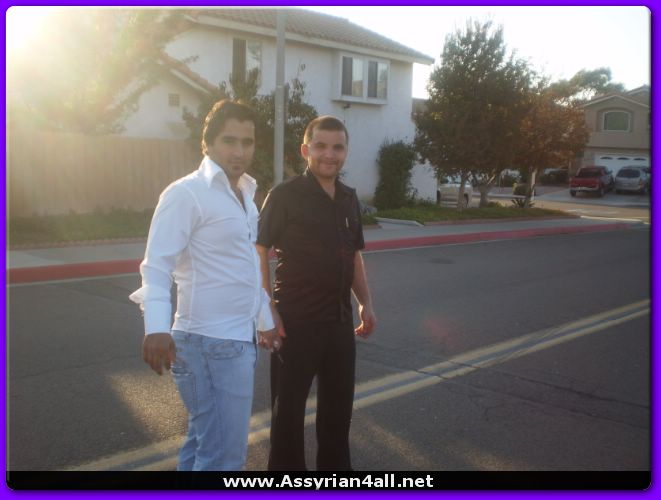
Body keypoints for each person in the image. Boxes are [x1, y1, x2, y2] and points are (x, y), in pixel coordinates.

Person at [129, 99, 276, 471]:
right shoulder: (186, 193)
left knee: (202, 444)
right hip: (210, 345)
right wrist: (156, 328)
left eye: (247, 142)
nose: (239, 151)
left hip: (235, 339)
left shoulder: (246, 195)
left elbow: (244, 267)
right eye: (229, 140)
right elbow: (157, 266)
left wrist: (264, 320)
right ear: (207, 143)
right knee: (224, 458)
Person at [256, 115, 377, 471]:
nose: (329, 154)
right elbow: (258, 249)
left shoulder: (349, 198)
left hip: (338, 322)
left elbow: (353, 255)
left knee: (338, 414)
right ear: (305, 150)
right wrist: (267, 308)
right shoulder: (284, 196)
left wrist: (365, 303)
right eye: (321, 146)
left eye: (338, 147)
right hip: (295, 321)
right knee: (288, 414)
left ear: (346, 151)